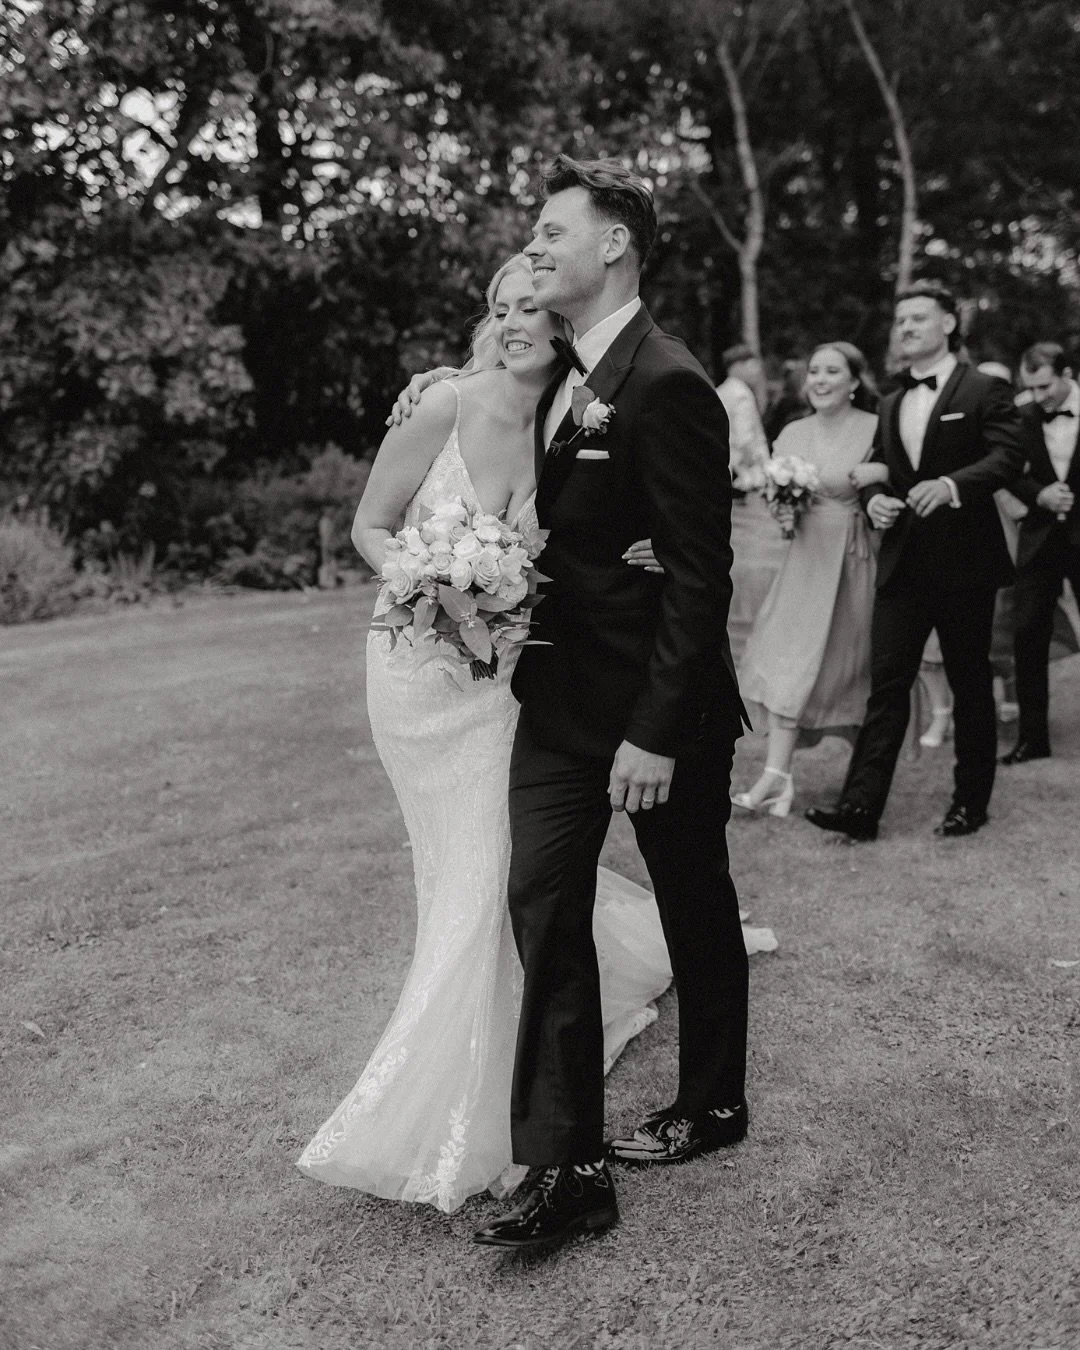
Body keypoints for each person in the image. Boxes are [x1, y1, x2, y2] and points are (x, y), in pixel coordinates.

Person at [470, 154, 748, 1252]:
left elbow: (699, 576)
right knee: (541, 901)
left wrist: (654, 734)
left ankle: (713, 1103)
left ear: (615, 244)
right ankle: (570, 1164)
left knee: (692, 895)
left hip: (653, 711)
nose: (535, 247)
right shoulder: (557, 370)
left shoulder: (667, 380)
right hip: (556, 702)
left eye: (552, 231)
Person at [805, 280, 1025, 841]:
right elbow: (882, 467)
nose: (905, 328)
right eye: (900, 320)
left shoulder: (983, 389)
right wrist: (874, 499)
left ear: (949, 324)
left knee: (969, 683)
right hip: (902, 563)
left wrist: (951, 485)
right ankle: (860, 809)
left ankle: (970, 803)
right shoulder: (891, 401)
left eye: (918, 318)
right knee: (886, 687)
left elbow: (1008, 457)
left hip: (966, 564)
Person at [731, 342, 878, 815]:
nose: (820, 379)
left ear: (854, 381)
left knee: (850, 673)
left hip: (852, 563)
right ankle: (777, 777)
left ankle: (866, 782)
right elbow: (781, 505)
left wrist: (876, 472)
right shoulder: (793, 431)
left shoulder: (876, 428)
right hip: (803, 562)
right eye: (814, 370)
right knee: (786, 663)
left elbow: (891, 484)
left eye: (832, 371)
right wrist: (782, 509)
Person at [1000, 341, 1080, 763]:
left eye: (1045, 386)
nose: (1037, 396)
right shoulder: (1023, 414)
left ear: (1068, 375)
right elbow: (1006, 469)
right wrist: (1039, 495)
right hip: (1040, 539)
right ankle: (1033, 740)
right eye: (1030, 388)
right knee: (1028, 634)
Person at [717, 343, 770, 490]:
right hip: (744, 472)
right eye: (751, 365)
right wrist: (757, 467)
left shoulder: (721, 391)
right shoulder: (742, 394)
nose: (756, 371)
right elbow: (745, 438)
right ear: (737, 366)